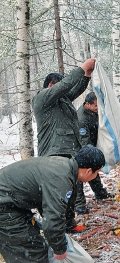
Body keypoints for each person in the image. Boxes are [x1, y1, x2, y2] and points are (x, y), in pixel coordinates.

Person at [0, 145, 105, 262]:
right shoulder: (61, 178)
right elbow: (53, 219)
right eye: (97, 173)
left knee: (33, 234)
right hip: (4, 205)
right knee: (32, 251)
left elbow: (60, 204)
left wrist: (69, 225)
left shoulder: (67, 166)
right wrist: (60, 250)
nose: (96, 176)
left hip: (12, 201)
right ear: (89, 171)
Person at [31, 58, 96, 233]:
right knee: (56, 194)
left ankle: (69, 223)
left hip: (69, 151)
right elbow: (66, 85)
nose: (63, 89)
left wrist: (86, 76)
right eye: (59, 86)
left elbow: (74, 89)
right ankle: (54, 227)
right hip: (53, 153)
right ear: (51, 85)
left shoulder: (62, 100)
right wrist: (81, 69)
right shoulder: (42, 99)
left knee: (71, 190)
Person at [75, 92, 114, 214]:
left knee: (94, 170)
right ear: (87, 104)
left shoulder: (95, 112)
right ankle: (79, 204)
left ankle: (100, 193)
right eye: (96, 106)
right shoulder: (81, 118)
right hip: (80, 149)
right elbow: (83, 140)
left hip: (91, 145)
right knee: (79, 176)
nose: (98, 108)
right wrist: (94, 153)